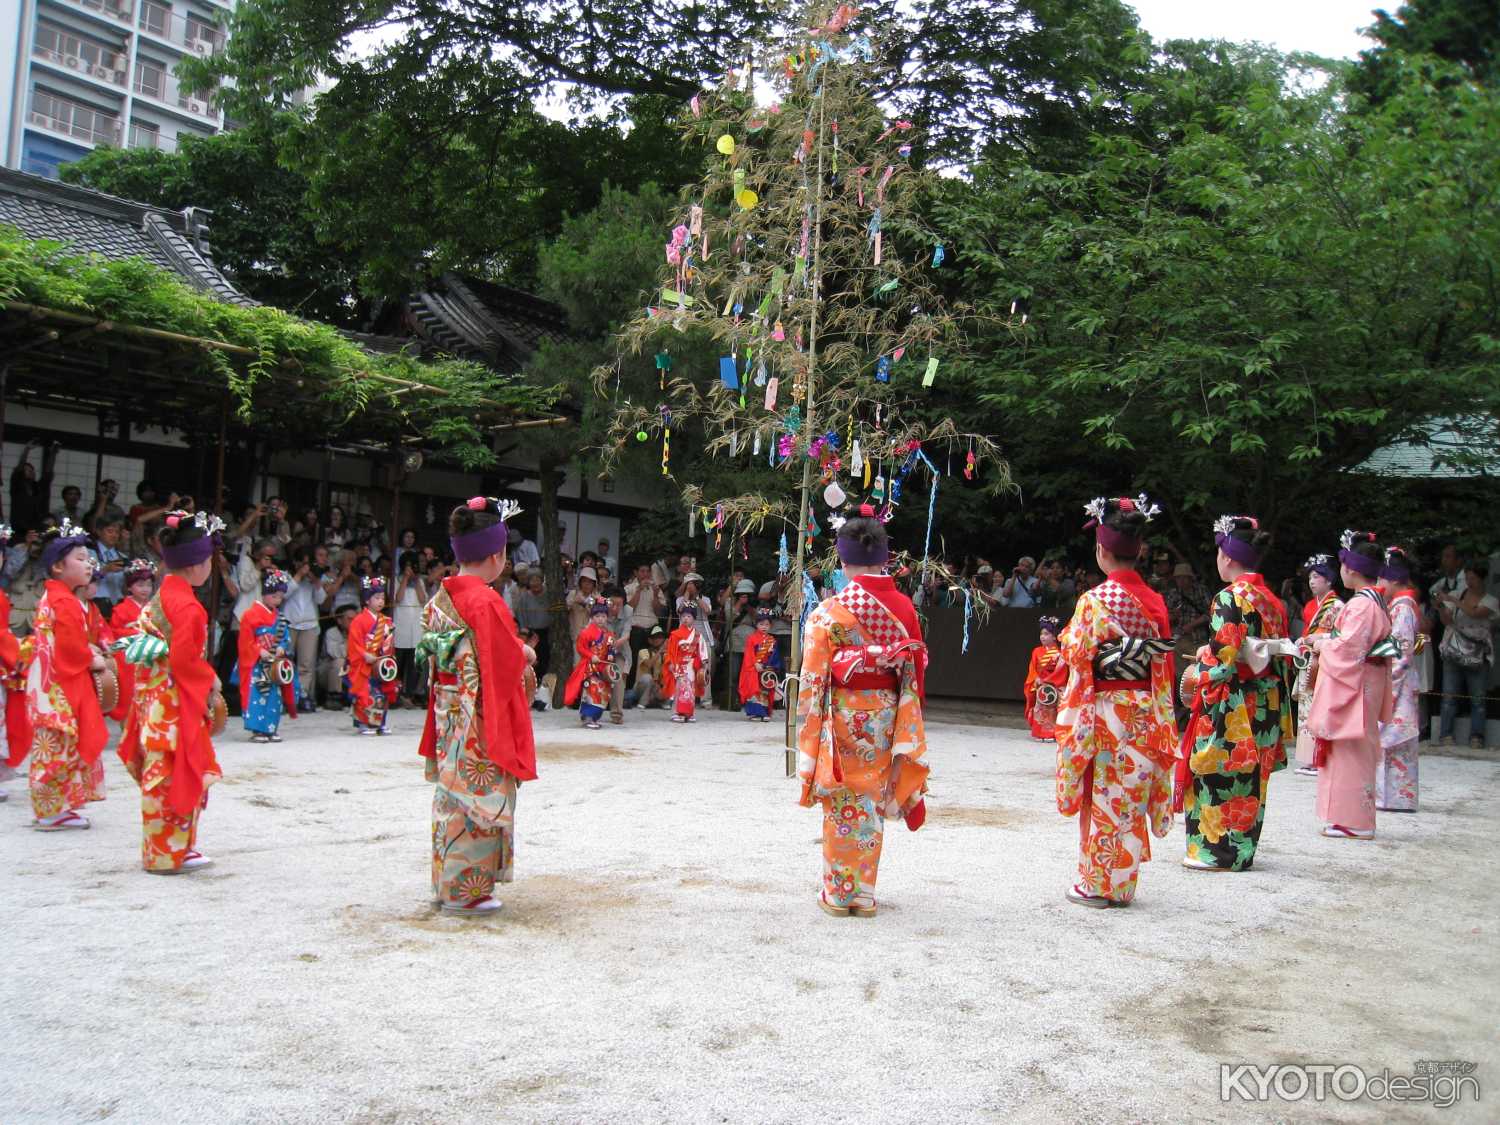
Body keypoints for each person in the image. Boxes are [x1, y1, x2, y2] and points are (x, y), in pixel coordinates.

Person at [795, 506, 928, 918]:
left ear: (842, 557)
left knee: (841, 799)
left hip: (842, 717)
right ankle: (864, 894)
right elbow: (917, 667)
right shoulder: (904, 607)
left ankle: (840, 893)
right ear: (885, 556)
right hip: (887, 715)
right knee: (870, 799)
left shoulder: (831, 611)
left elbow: (813, 675)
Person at [1054, 496, 1176, 908]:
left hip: (1105, 711)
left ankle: (1098, 884)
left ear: (1101, 550)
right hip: (1143, 707)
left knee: (1105, 792)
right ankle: (1122, 883)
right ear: (1139, 550)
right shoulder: (1155, 602)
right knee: (1131, 792)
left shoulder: (1094, 601)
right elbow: (1162, 659)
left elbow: (1074, 652)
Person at [417, 496, 536, 916]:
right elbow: (501, 665)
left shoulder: (440, 598)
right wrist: (525, 655)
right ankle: (468, 891)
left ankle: (446, 883)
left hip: (450, 712)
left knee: (451, 796)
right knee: (478, 798)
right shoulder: (486, 601)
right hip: (478, 717)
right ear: (498, 553)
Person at [1180, 515, 1293, 872]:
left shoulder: (1230, 598)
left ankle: (1216, 852)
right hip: (1267, 699)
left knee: (1220, 772)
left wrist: (1202, 667)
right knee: (1252, 779)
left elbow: (1224, 662)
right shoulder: (1271, 599)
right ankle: (1242, 851)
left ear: (1227, 557)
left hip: (1237, 700)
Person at [117, 511, 224, 873]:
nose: (210, 566)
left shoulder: (163, 597)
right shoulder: (189, 607)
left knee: (161, 771)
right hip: (174, 702)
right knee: (174, 772)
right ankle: (168, 852)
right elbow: (184, 661)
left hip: (154, 698)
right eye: (209, 560)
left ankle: (170, 848)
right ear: (196, 565)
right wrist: (210, 679)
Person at [13, 522, 108, 830]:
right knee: (57, 746)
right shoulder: (64, 600)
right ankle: (50, 811)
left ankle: (56, 807)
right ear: (57, 566)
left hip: (50, 681)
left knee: (56, 745)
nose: (88, 564)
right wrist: (92, 658)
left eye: (88, 557)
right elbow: (68, 647)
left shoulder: (56, 596)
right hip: (60, 685)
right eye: (80, 558)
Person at [1305, 531, 1394, 840]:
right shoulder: (1372, 602)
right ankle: (1349, 817)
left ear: (1352, 569)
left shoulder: (1360, 606)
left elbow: (1348, 650)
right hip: (1363, 683)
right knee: (1351, 749)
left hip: (1356, 686)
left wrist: (1321, 643)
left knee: (1350, 750)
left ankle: (1353, 820)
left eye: (1343, 565)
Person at [1377, 547, 1421, 811]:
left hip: (1398, 683)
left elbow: (1400, 653)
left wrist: (1384, 683)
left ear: (1394, 579)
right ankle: (1394, 797)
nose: (1380, 584)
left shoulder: (1403, 608)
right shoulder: (1400, 606)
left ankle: (1395, 798)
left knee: (1393, 741)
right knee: (1392, 743)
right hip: (1399, 682)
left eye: (1382, 578)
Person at [1435, 561, 1495, 749]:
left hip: (1478, 655)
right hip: (1454, 651)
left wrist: (1452, 601)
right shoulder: (1457, 595)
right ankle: (1446, 735)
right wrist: (1441, 607)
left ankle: (1477, 737)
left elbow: (1475, 613)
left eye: (1473, 578)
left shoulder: (1490, 600)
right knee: (1449, 696)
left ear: (1481, 578)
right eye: (1467, 577)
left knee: (1478, 699)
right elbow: (1447, 621)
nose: (1469, 581)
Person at [1293, 554, 1344, 775]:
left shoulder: (1338, 606)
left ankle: (1320, 757)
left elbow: (1341, 635)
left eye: (1317, 577)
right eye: (1310, 577)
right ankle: (1308, 757)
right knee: (1306, 708)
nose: (1312, 581)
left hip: (1325, 661)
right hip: (1309, 660)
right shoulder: (1308, 607)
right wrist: (1302, 640)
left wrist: (1320, 639)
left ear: (1329, 580)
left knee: (1320, 707)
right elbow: (1307, 632)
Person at [237, 568, 295, 744]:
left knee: (273, 697)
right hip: (257, 665)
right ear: (265, 594)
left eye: (280, 597)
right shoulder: (250, 615)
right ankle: (257, 729)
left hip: (273, 664)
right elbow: (245, 641)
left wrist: (282, 648)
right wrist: (257, 650)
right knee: (257, 695)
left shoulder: (279, 617)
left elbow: (285, 638)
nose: (278, 600)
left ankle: (271, 728)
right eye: (274, 596)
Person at [107, 559, 157, 722]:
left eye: (148, 585)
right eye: (140, 585)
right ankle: (128, 720)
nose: (145, 589)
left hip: (151, 651)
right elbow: (114, 632)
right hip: (129, 653)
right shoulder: (121, 609)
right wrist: (136, 632)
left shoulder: (154, 608)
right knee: (128, 676)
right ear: (129, 587)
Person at [346, 577, 396, 735]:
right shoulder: (358, 621)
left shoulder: (386, 621)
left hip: (379, 662)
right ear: (367, 600)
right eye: (377, 598)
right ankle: (364, 723)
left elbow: (389, 643)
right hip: (365, 662)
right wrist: (364, 654)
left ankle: (380, 722)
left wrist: (387, 656)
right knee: (366, 692)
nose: (381, 601)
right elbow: (354, 643)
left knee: (382, 692)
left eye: (382, 598)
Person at [563, 598, 615, 730]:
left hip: (603, 667)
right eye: (597, 616)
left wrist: (610, 659)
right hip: (591, 667)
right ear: (592, 617)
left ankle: (594, 717)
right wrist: (591, 656)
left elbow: (611, 649)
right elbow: (580, 648)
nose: (600, 619)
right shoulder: (586, 632)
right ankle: (587, 717)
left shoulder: (609, 634)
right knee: (592, 691)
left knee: (603, 692)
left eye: (603, 616)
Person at [1023, 616, 1069, 741]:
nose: (1042, 636)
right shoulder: (1036, 651)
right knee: (1040, 708)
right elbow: (1033, 668)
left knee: (1054, 707)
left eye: (1046, 634)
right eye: (1041, 634)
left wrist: (1049, 681)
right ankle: (1039, 733)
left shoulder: (1060, 653)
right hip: (1039, 684)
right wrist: (1036, 678)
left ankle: (1052, 733)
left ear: (1054, 636)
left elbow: (1061, 671)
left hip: (1054, 684)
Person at [675, 572, 715, 706]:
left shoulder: (706, 599)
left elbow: (707, 610)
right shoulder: (680, 600)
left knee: (705, 668)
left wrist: (696, 596)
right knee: (684, 667)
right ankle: (684, 696)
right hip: (684, 639)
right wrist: (686, 594)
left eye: (693, 584)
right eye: (688, 584)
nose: (691, 586)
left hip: (704, 638)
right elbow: (680, 610)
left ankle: (706, 699)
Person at [738, 609, 782, 722]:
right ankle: (755, 713)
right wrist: (755, 663)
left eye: (767, 624)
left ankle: (764, 712)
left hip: (766, 669)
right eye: (761, 624)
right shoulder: (751, 638)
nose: (764, 627)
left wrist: (769, 666)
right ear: (756, 624)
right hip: (754, 668)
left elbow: (774, 655)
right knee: (754, 690)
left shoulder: (772, 640)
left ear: (770, 626)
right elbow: (749, 653)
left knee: (765, 691)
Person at [663, 603, 703, 723]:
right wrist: (670, 662)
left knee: (691, 689)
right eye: (684, 616)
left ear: (694, 618)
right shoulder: (675, 634)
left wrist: (702, 664)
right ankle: (678, 712)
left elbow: (701, 651)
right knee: (680, 689)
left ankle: (689, 713)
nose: (686, 618)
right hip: (679, 664)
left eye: (689, 616)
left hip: (691, 665)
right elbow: (670, 650)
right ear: (680, 618)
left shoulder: (698, 635)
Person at [320, 606, 355, 709]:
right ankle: (334, 697)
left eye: (355, 619)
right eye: (349, 619)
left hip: (352, 671)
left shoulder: (361, 632)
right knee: (339, 662)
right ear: (339, 620)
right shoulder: (332, 632)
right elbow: (336, 653)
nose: (353, 622)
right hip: (327, 672)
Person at [628, 626, 667, 709]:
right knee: (647, 677)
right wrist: (661, 650)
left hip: (655, 688)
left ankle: (661, 701)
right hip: (641, 689)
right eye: (655, 637)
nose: (658, 639)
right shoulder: (643, 652)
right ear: (650, 640)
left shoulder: (665, 655)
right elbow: (649, 664)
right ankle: (643, 702)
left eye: (660, 637)